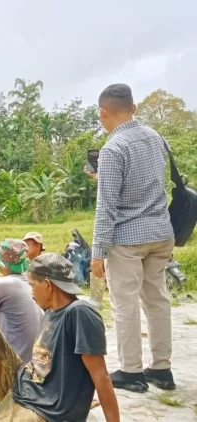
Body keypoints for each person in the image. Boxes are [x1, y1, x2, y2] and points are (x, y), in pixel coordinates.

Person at [0, 253, 120, 422]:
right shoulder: (50, 310)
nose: (31, 293)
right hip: (23, 388)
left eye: (32, 285)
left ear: (47, 285)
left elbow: (100, 375)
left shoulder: (80, 312)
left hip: (46, 409)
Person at [90, 83, 176, 393]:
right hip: (161, 232)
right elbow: (146, 182)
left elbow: (107, 207)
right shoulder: (155, 137)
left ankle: (132, 372)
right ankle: (162, 370)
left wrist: (97, 252)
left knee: (125, 304)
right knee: (157, 300)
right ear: (134, 108)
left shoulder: (112, 149)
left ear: (102, 113)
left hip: (128, 238)